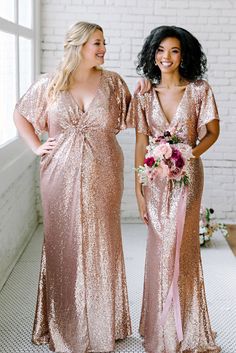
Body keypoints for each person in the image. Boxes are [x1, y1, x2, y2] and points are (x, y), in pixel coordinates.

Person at [13, 21, 142, 353]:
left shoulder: (113, 83)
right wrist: (35, 146)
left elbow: (134, 117)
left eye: (104, 42)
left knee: (102, 243)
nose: (102, 48)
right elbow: (20, 114)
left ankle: (103, 323)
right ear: (78, 45)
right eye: (96, 42)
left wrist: (145, 95)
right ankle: (61, 320)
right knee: (63, 243)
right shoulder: (51, 84)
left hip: (105, 173)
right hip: (58, 175)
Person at [128, 25, 221, 353]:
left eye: (174, 51)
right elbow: (140, 142)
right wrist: (138, 189)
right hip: (153, 179)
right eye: (160, 50)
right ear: (152, 55)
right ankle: (158, 325)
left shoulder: (199, 90)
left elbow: (212, 132)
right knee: (159, 248)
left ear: (184, 56)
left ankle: (186, 327)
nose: (166, 57)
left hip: (188, 176)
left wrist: (189, 153)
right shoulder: (143, 94)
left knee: (181, 248)